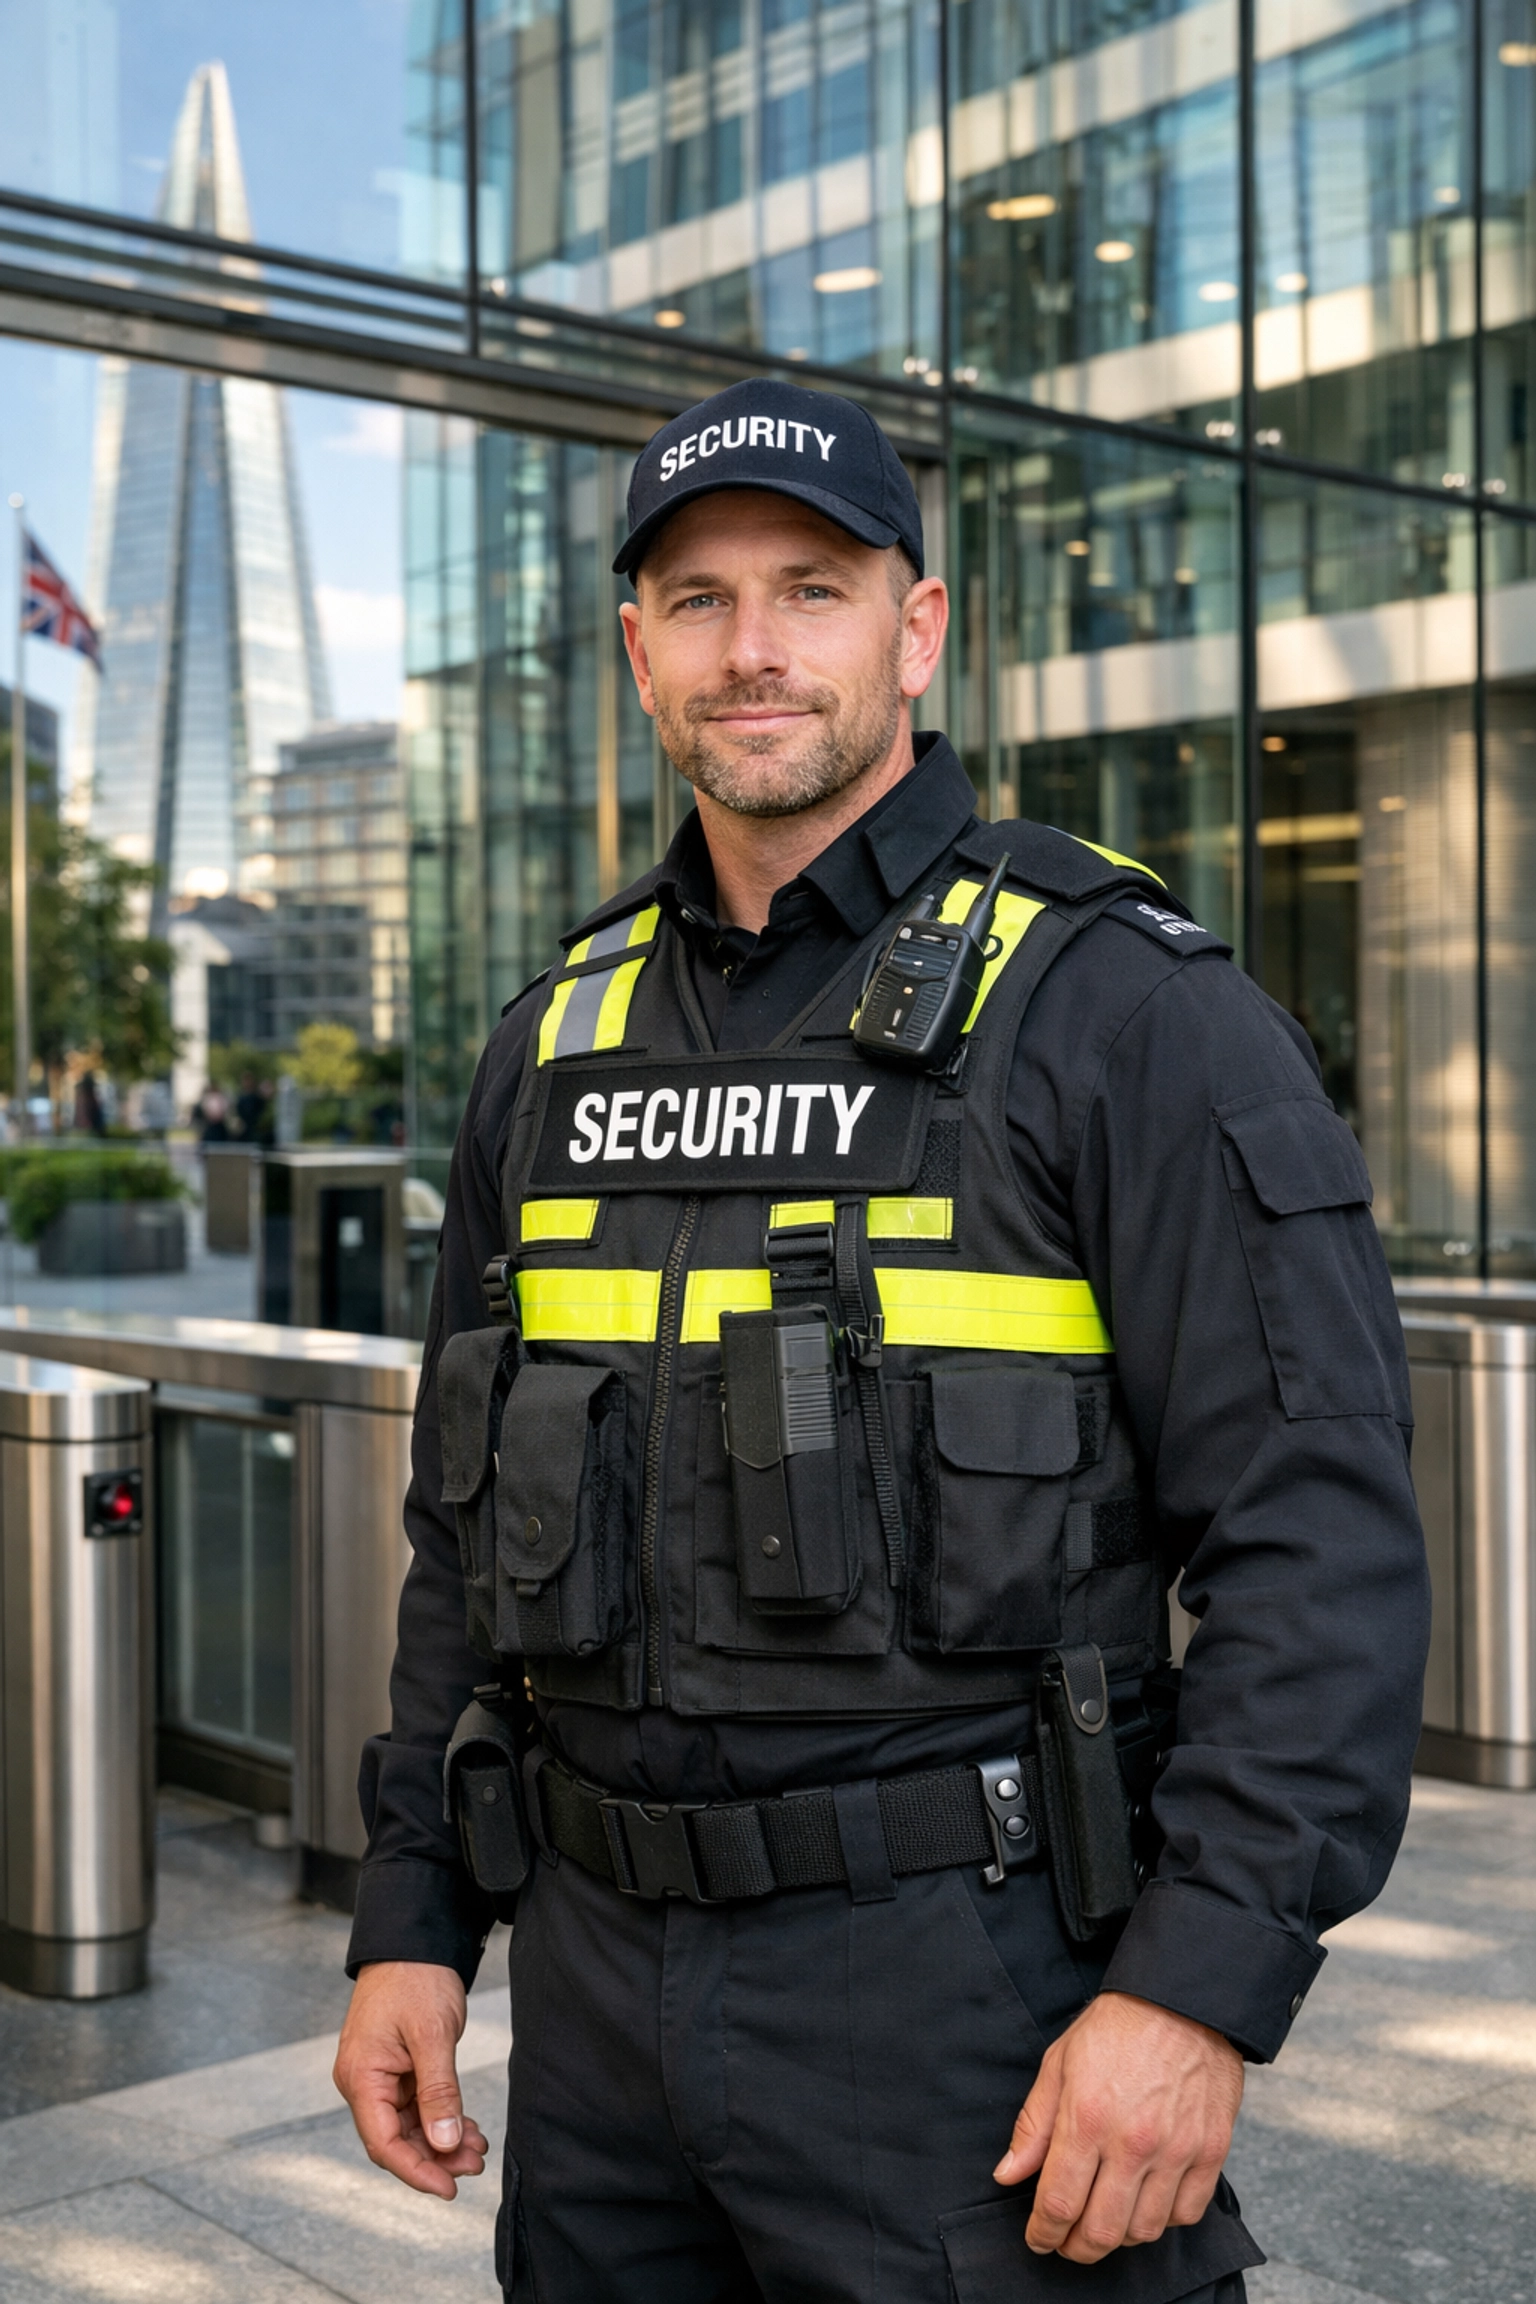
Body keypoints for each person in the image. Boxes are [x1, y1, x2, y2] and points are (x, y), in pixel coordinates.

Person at [334, 379, 1429, 2304]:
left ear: (917, 632)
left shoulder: (1122, 1011)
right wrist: (413, 1913)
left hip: (971, 2000)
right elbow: (461, 1540)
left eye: (813, 589)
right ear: (638, 654)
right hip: (594, 2029)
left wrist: (1199, 1989)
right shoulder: (555, 1043)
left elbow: (1315, 1534)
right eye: (698, 600)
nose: (753, 649)